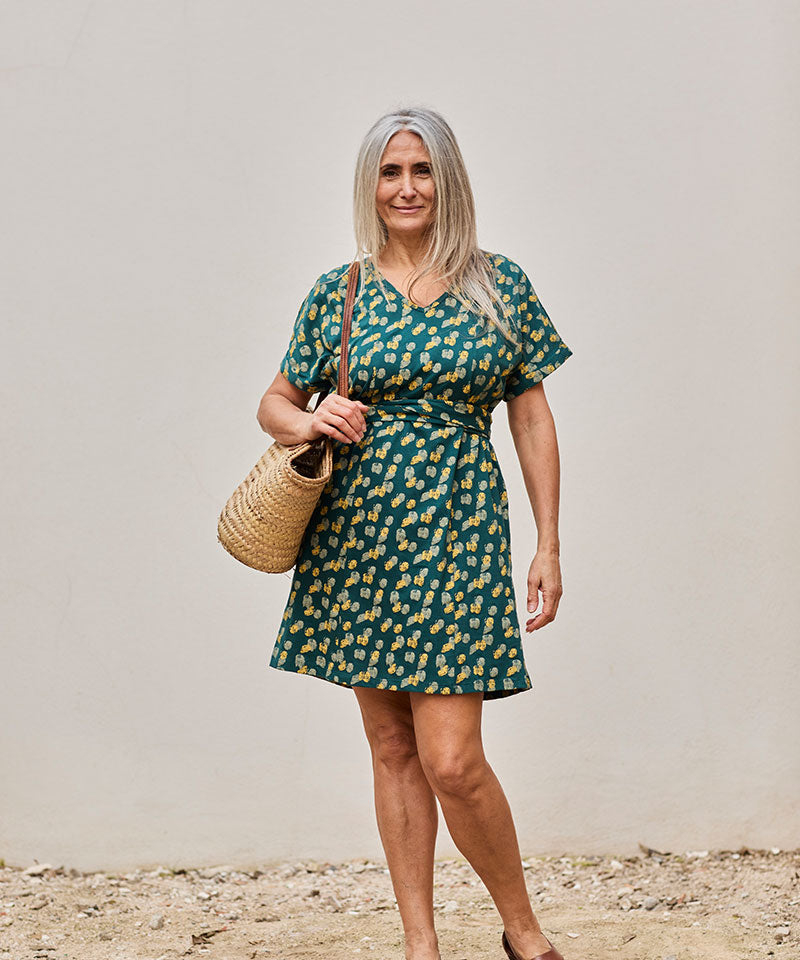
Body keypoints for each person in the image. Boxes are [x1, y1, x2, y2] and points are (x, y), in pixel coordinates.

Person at [257, 106, 573, 960]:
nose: (406, 187)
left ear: (448, 181)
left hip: (459, 531)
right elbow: (273, 404)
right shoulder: (340, 291)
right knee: (392, 745)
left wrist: (547, 543)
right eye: (391, 172)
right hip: (358, 538)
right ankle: (420, 944)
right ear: (372, 185)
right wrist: (312, 420)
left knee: (452, 759)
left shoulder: (496, 284)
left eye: (421, 170)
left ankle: (523, 929)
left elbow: (533, 421)